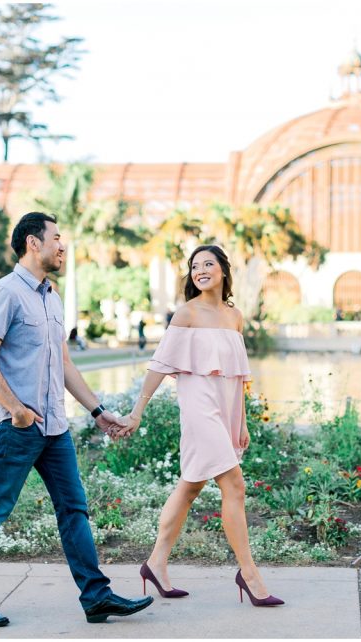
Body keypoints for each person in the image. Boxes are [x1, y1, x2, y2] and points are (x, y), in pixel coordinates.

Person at [0, 212, 153, 626]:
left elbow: (63, 363)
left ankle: (96, 597)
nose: (63, 246)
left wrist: (97, 411)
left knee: (73, 508)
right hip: (19, 427)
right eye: (56, 238)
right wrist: (17, 411)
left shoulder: (51, 296)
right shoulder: (4, 294)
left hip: (55, 428)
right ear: (32, 243)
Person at [121, 245, 284, 607]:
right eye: (195, 266)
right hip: (198, 408)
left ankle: (155, 564)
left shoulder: (235, 317)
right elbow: (160, 364)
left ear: (224, 270)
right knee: (235, 486)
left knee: (190, 487)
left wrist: (241, 422)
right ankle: (249, 574)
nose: (201, 270)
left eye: (208, 264)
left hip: (225, 409)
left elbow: (237, 377)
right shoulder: (187, 313)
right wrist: (137, 411)